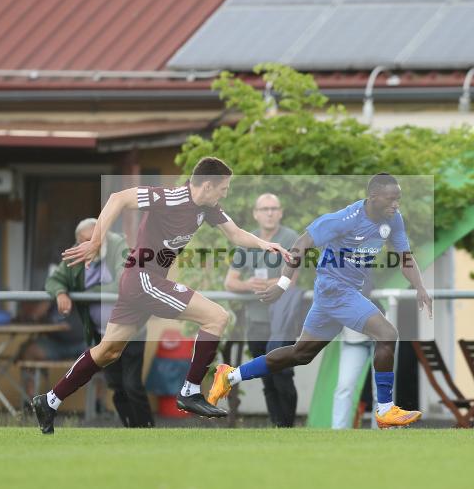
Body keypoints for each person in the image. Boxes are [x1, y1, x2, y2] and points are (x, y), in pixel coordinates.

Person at [31, 157, 291, 433]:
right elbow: (118, 198)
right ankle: (190, 392)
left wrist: (266, 244)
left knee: (109, 351)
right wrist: (95, 240)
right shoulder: (170, 197)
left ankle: (48, 401)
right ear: (207, 185)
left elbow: (236, 234)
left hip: (139, 282)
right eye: (223, 188)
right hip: (144, 278)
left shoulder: (209, 207)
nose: (225, 193)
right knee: (217, 317)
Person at [209, 173, 432, 429]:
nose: (396, 205)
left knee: (301, 353)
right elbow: (301, 244)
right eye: (391, 199)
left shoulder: (393, 220)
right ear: (373, 198)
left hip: (341, 293)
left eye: (398, 199)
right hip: (334, 289)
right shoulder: (343, 219)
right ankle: (385, 410)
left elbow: (405, 256)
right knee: (387, 334)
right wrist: (282, 285)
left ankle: (230, 375)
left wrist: (420, 286)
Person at [44, 217, 154, 428]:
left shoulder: (117, 244)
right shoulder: (76, 256)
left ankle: (147, 429)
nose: (94, 243)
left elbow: (124, 281)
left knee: (132, 385)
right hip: (101, 335)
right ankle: (132, 429)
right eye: (87, 240)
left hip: (130, 330)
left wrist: (86, 294)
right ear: (78, 243)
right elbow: (54, 279)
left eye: (97, 238)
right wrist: (60, 293)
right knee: (116, 386)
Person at [224, 193, 299, 427]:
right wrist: (248, 285)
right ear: (256, 214)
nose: (269, 213)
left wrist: (271, 283)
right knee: (266, 378)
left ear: (281, 212)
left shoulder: (291, 238)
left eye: (274, 208)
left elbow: (293, 281)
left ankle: (287, 427)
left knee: (283, 376)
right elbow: (230, 282)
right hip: (255, 321)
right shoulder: (248, 240)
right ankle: (276, 426)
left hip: (282, 322)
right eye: (264, 209)